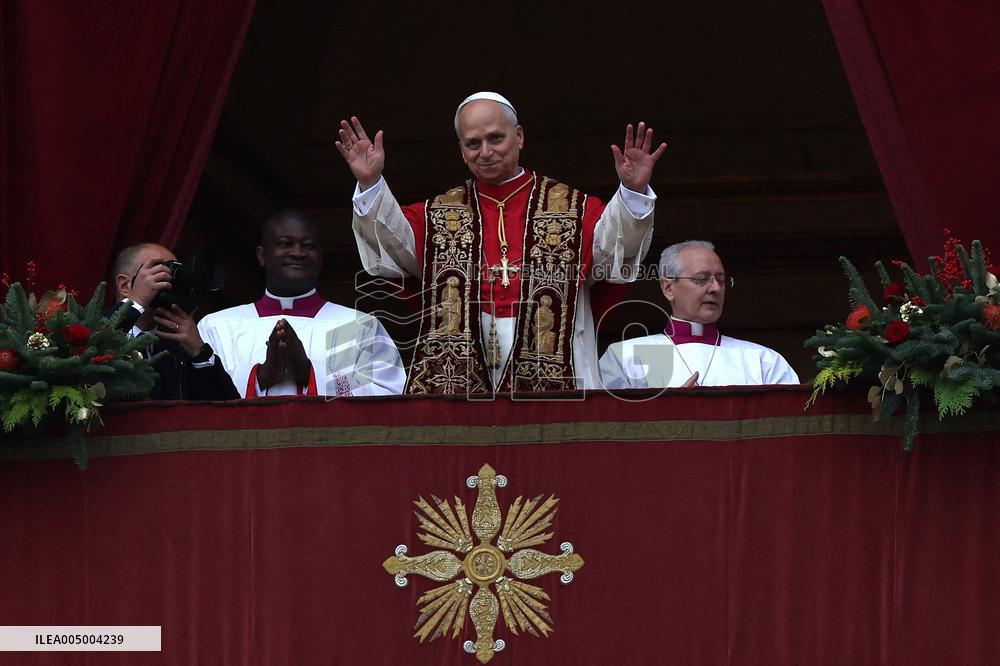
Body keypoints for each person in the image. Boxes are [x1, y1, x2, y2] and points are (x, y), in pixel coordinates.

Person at [337, 91, 667, 393]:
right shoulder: (437, 213)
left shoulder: (572, 208)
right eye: (473, 143)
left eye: (496, 138)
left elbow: (612, 254)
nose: (486, 152)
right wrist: (371, 183)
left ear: (519, 136)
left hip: (556, 356)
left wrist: (633, 192)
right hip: (464, 360)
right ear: (461, 150)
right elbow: (394, 249)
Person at [197, 209, 405, 398]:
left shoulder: (358, 326)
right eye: (285, 244)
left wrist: (309, 373)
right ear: (262, 255)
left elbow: (389, 399)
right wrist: (261, 376)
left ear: (321, 257)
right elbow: (196, 397)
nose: (298, 253)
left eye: (308, 246)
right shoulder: (217, 327)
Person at [599, 240, 800, 388]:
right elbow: (608, 425)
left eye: (721, 280)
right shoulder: (624, 357)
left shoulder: (764, 361)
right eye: (701, 279)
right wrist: (668, 411)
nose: (715, 288)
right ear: (668, 287)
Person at [111, 243, 240, 400]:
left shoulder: (175, 351)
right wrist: (136, 303)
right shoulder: (91, 330)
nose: (170, 280)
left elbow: (228, 408)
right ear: (125, 285)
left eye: (174, 271)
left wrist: (199, 352)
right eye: (160, 270)